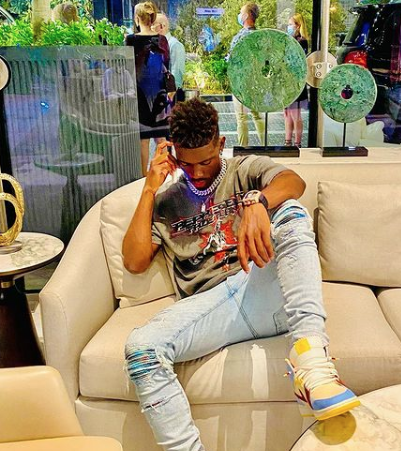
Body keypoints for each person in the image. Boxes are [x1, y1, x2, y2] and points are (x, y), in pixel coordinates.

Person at [122, 98, 360, 451]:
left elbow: (293, 182)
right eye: (187, 164)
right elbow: (135, 260)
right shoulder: (167, 201)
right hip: (215, 310)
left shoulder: (243, 169)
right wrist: (149, 188)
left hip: (266, 288)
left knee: (291, 211)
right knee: (141, 350)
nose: (197, 173)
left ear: (220, 143)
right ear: (173, 154)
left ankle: (311, 363)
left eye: (206, 161)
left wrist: (257, 202)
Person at [125, 1, 171, 176]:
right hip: (160, 94)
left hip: (139, 95)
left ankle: (143, 178)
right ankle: (163, 174)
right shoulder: (162, 40)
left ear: (137, 18)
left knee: (143, 140)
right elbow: (166, 67)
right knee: (161, 139)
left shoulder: (130, 40)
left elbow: (127, 68)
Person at [228, 2, 265, 147]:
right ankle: (265, 145)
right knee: (258, 116)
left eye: (241, 12)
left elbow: (233, 59)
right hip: (256, 82)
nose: (239, 15)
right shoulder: (260, 36)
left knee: (241, 117)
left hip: (241, 83)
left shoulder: (241, 37)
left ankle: (243, 149)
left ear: (246, 15)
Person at [284, 13, 309, 147]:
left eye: (290, 24)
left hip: (296, 83)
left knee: (295, 114)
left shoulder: (301, 41)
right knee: (287, 114)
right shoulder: (290, 41)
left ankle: (297, 143)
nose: (288, 27)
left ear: (298, 26)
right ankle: (287, 142)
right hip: (288, 82)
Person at [153, 13, 185, 101]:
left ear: (161, 26)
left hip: (170, 98)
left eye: (152, 24)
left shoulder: (174, 45)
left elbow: (177, 73)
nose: (150, 28)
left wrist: (169, 97)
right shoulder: (156, 45)